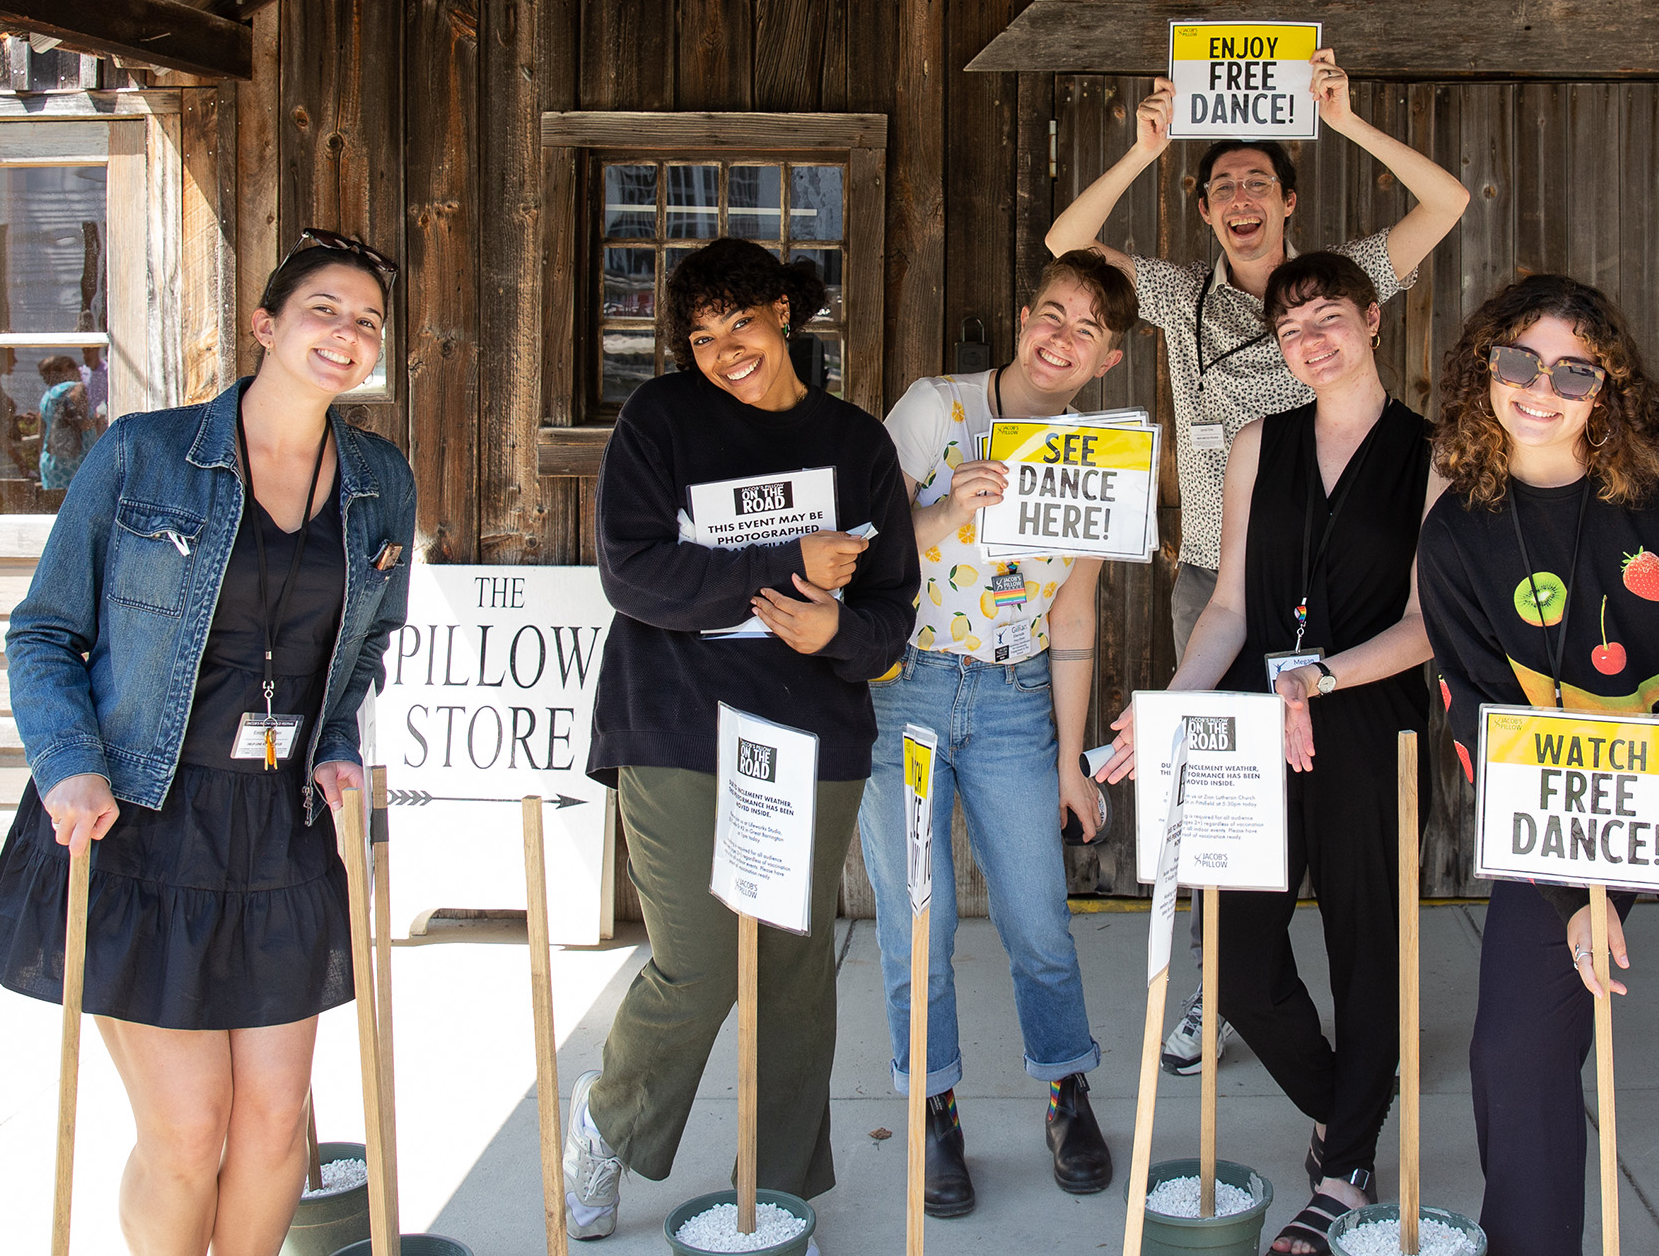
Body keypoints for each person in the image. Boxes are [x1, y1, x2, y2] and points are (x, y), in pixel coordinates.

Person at [0, 229, 413, 1255]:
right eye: (323, 310)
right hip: (142, 820)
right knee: (189, 1128)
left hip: (282, 827)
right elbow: (44, 629)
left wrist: (339, 739)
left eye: (367, 321)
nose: (346, 334)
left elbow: (362, 647)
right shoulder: (144, 453)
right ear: (266, 324)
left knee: (272, 1127)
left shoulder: (380, 478)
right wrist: (68, 763)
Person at [1045, 48, 1469, 1072]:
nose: (1239, 197)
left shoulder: (1336, 282)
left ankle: (1370, 1011)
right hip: (1222, 580)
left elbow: (1446, 199)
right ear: (1201, 209)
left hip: (1349, 583)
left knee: (1354, 807)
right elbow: (1066, 240)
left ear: (1288, 199)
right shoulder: (1177, 292)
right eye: (1218, 184)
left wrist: (1346, 117)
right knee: (1223, 809)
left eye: (1257, 182)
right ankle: (1218, 987)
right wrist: (1144, 148)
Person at [1416, 274, 1659, 1256]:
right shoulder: (1457, 531)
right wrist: (1563, 893)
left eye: (1571, 370)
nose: (1538, 388)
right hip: (1560, 822)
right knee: (1516, 1051)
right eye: (1515, 361)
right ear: (1479, 371)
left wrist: (1657, 739)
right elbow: (1472, 709)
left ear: (1607, 384)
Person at [564, 238, 918, 1239]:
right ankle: (608, 1119)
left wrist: (835, 631)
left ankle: (776, 1186)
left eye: (741, 325)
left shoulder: (854, 445)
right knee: (705, 958)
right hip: (675, 717)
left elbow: (894, 607)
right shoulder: (659, 419)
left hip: (809, 729)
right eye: (702, 336)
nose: (724, 350)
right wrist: (783, 559)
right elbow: (631, 571)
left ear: (783, 309)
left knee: (794, 968)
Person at [1097, 251, 1445, 1255]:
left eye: (1326, 319)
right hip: (1251, 726)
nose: (1309, 342)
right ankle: (1348, 1110)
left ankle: (1341, 1168)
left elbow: (1428, 622)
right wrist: (1167, 707)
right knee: (1241, 964)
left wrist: (1318, 676)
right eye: (1290, 331)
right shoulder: (1257, 441)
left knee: (1366, 948)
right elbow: (1229, 606)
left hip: (1367, 720)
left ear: (1370, 318)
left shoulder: (1433, 454)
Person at [855, 250, 1136, 1217]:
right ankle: (933, 1108)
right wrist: (943, 508)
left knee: (1037, 917)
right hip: (911, 686)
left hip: (1017, 694)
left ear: (1106, 361)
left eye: (1086, 329)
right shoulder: (940, 407)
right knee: (915, 923)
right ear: (1023, 318)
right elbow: (867, 536)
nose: (1060, 336)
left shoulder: (1100, 459)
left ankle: (1066, 1088)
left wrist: (1070, 756)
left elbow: (1073, 615)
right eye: (1051, 312)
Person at [35, 353, 95, 492]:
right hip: (74, 462)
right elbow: (84, 424)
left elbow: (42, 435)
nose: (79, 372)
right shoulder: (75, 387)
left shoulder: (47, 396)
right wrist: (99, 420)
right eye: (74, 367)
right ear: (65, 369)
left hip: (51, 460)